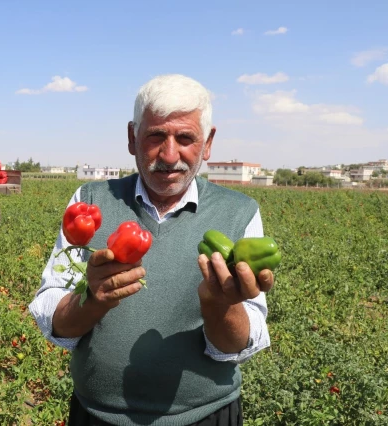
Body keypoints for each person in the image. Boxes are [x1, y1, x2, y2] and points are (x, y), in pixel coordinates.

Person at [28, 74, 276, 426]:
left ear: (208, 144)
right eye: (155, 136)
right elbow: (55, 317)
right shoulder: (90, 201)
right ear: (132, 138)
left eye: (186, 138)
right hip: (97, 415)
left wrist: (219, 306)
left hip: (205, 416)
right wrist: (93, 298)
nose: (169, 154)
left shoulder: (239, 213)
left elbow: (239, 342)